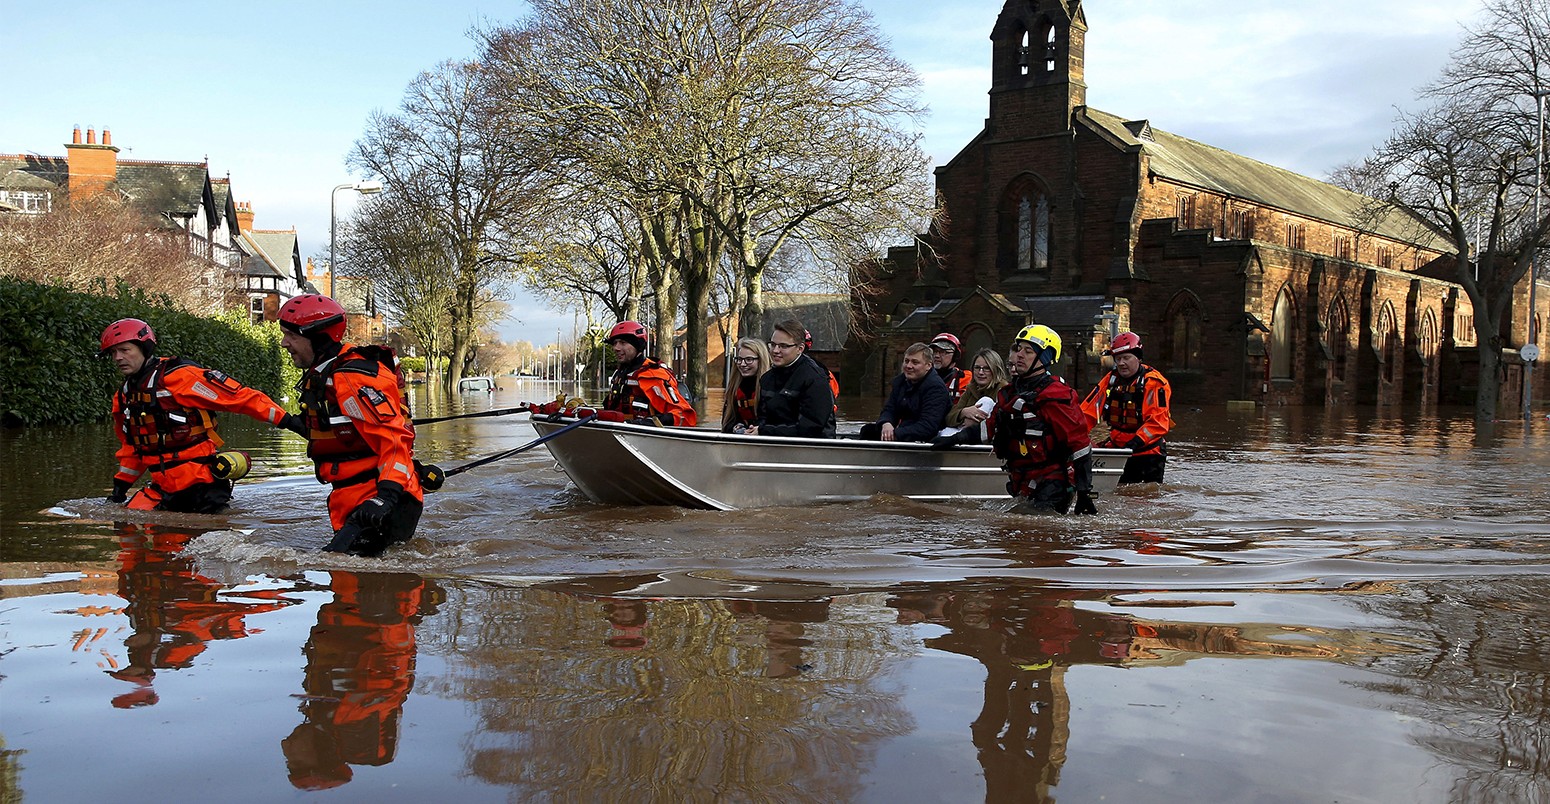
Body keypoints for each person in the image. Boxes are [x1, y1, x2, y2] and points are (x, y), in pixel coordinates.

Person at [102, 317, 301, 513]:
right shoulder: (124, 396)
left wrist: (290, 422)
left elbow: (241, 398)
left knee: (202, 532)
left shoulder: (180, 377)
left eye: (125, 350)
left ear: (144, 348)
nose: (118, 357)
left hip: (201, 483)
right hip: (163, 486)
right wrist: (120, 489)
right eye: (113, 352)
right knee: (127, 528)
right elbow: (133, 447)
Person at [279, 294, 424, 557]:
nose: (284, 343)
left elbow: (393, 440)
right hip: (355, 497)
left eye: (292, 336)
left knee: (348, 581)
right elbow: (342, 432)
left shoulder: (351, 378)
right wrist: (287, 422)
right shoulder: (326, 373)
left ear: (319, 337)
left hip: (377, 501)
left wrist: (385, 497)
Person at [934, 324, 1096, 514]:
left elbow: (1080, 445)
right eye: (1019, 349)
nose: (1019, 355)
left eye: (1028, 351)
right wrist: (953, 439)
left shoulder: (1056, 395)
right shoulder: (1009, 393)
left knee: (1029, 533)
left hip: (1053, 484)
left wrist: (1085, 493)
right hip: (1024, 482)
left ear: (1045, 358)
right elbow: (989, 426)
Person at [1081, 331, 1173, 484]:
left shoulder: (1154, 383)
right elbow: (1088, 411)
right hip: (1118, 448)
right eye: (1118, 358)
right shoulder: (1110, 380)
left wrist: (1135, 442)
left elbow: (1158, 422)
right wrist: (1077, 437)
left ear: (1138, 357)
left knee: (1144, 497)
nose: (1121, 363)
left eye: (1126, 357)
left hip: (1148, 452)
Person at [748, 319, 836, 438]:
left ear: (800, 348)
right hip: (774, 444)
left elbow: (811, 428)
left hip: (813, 447)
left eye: (783, 346)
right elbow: (763, 418)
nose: (775, 351)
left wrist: (765, 431)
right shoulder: (767, 379)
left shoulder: (814, 379)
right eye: (773, 345)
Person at [600, 320, 697, 426]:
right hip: (622, 430)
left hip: (645, 434)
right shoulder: (619, 374)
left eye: (623, 343)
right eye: (614, 343)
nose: (616, 348)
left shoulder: (652, 374)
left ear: (637, 345)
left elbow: (683, 415)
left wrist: (649, 423)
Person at [859, 342, 950, 442]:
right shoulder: (900, 382)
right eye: (906, 361)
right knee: (867, 431)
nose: (908, 366)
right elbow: (889, 409)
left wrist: (897, 434)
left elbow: (928, 426)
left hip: (928, 437)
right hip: (906, 430)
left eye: (915, 362)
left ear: (928, 366)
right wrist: (886, 423)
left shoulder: (936, 388)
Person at [942, 348, 1010, 434]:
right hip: (962, 436)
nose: (980, 372)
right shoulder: (971, 389)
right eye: (977, 368)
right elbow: (949, 418)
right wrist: (963, 412)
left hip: (987, 441)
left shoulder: (1003, 390)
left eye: (986, 368)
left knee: (986, 401)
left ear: (995, 370)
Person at [720, 337, 770, 433]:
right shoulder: (734, 387)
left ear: (761, 360)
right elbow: (727, 423)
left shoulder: (770, 387)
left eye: (749, 359)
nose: (742, 364)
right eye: (739, 359)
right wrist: (738, 429)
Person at [931, 332, 973, 404]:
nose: (937, 355)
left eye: (943, 352)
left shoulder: (966, 378)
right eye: (934, 351)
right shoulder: (922, 377)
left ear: (955, 356)